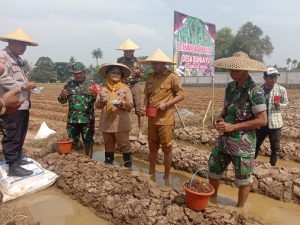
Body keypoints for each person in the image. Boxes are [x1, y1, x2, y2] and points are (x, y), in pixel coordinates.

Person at [208, 52, 268, 207]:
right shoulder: (230, 87)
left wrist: (233, 126)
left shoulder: (255, 91)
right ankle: (212, 201)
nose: (231, 73)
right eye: (231, 69)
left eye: (236, 70)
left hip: (243, 143)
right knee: (213, 169)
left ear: (245, 70)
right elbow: (226, 109)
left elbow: (262, 120)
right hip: (224, 139)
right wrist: (219, 118)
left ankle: (239, 211)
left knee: (243, 179)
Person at [141, 49, 185, 179]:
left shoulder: (172, 77)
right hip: (152, 118)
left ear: (163, 64)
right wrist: (144, 107)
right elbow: (146, 95)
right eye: (152, 63)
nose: (153, 66)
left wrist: (166, 104)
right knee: (152, 147)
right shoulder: (150, 77)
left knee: (167, 147)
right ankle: (151, 172)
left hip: (166, 119)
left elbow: (181, 95)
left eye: (156, 64)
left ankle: (166, 176)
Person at [0, 28, 38, 177]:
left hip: (22, 103)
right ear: (11, 42)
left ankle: (17, 158)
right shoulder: (4, 57)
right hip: (11, 104)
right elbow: (2, 78)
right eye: (21, 45)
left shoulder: (18, 59)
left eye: (25, 45)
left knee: (21, 132)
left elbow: (21, 78)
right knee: (12, 133)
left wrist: (28, 84)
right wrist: (22, 86)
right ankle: (12, 166)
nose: (24, 48)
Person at [96, 63, 133, 167]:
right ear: (108, 74)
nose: (116, 74)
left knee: (124, 145)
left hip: (121, 123)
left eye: (118, 73)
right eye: (113, 72)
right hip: (107, 123)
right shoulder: (103, 89)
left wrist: (122, 103)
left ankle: (128, 167)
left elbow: (130, 105)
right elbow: (97, 105)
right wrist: (102, 101)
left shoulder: (125, 88)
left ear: (121, 75)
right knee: (108, 145)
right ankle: (108, 166)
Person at [58, 62, 97, 158]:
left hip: (87, 119)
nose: (78, 75)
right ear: (73, 74)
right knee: (72, 141)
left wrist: (95, 95)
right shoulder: (68, 85)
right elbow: (61, 100)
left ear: (84, 72)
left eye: (80, 73)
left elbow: (99, 101)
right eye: (75, 73)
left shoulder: (92, 85)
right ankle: (74, 160)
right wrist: (62, 96)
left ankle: (89, 160)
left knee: (88, 140)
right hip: (73, 120)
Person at [255, 67, 288, 166]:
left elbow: (286, 103)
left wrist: (280, 105)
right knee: (255, 145)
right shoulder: (258, 89)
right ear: (265, 77)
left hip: (275, 124)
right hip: (261, 123)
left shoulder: (281, 89)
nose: (274, 80)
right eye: (271, 77)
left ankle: (272, 166)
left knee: (275, 148)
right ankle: (250, 164)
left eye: (275, 77)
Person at [116, 38, 144, 138]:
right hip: (123, 85)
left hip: (135, 85)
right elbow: (116, 73)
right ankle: (123, 130)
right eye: (126, 50)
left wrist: (138, 73)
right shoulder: (119, 61)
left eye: (130, 50)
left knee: (139, 109)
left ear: (133, 51)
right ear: (123, 51)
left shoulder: (138, 61)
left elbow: (141, 75)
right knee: (122, 107)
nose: (128, 52)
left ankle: (140, 132)